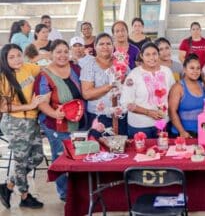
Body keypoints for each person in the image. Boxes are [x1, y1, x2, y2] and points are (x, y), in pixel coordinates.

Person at [34, 39, 83, 202]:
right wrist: (55, 114)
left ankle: (78, 190)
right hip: (56, 124)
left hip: (78, 120)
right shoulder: (44, 75)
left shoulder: (75, 68)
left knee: (79, 157)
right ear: (51, 54)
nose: (62, 55)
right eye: (58, 52)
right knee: (61, 158)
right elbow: (42, 103)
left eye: (65, 51)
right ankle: (64, 194)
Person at [0, 44, 44, 209]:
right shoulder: (3, 77)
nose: (17, 59)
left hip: (32, 121)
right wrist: (30, 106)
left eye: (19, 55)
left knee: (38, 157)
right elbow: (3, 107)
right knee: (21, 161)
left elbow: (45, 69)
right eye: (11, 57)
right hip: (14, 123)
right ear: (5, 60)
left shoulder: (28, 67)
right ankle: (25, 196)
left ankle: (8, 186)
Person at [121, 42, 175, 138]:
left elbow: (172, 95)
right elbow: (127, 103)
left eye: (154, 54)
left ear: (158, 55)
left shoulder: (167, 71)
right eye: (147, 54)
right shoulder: (134, 75)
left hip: (163, 123)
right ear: (141, 56)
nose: (151, 58)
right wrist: (148, 112)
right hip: (141, 126)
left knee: (163, 151)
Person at [80, 33, 128, 137]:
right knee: (100, 150)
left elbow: (130, 84)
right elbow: (87, 94)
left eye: (108, 43)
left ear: (113, 46)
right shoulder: (89, 66)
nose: (105, 47)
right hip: (99, 116)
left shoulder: (121, 63)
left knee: (121, 149)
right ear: (95, 47)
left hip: (121, 115)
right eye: (101, 44)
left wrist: (126, 82)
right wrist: (109, 86)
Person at [169, 54, 205, 138]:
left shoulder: (201, 84)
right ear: (185, 69)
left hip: (201, 132)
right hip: (183, 133)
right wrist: (182, 132)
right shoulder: (178, 87)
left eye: (198, 68)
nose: (195, 71)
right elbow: (171, 111)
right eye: (192, 68)